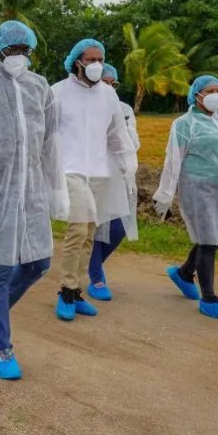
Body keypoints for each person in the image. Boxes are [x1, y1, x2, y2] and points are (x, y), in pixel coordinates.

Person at [0, 21, 67, 380]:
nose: (18, 57)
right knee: (0, 267)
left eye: (24, 50)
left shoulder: (40, 87)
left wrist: (56, 190)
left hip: (32, 188)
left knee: (39, 264)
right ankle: (1, 347)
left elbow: (50, 143)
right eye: (12, 50)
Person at [153, 76, 218, 319]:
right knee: (208, 241)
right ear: (196, 94)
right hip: (198, 188)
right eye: (209, 90)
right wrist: (164, 195)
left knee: (216, 238)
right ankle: (208, 297)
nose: (215, 95)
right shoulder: (185, 124)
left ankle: (185, 273)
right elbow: (173, 161)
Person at [52, 40, 138, 321]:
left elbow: (117, 134)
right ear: (77, 61)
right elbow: (47, 134)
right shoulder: (58, 93)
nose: (96, 65)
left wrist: (128, 164)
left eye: (100, 59)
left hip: (98, 171)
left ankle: (76, 291)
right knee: (77, 229)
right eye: (90, 60)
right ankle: (66, 290)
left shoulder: (108, 96)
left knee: (90, 232)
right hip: (70, 169)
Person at [87, 63, 141, 301]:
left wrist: (120, 124)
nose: (110, 87)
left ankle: (94, 265)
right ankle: (95, 275)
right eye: (105, 83)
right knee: (94, 227)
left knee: (118, 227)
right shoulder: (85, 107)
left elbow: (133, 143)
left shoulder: (125, 109)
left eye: (113, 84)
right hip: (92, 174)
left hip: (118, 176)